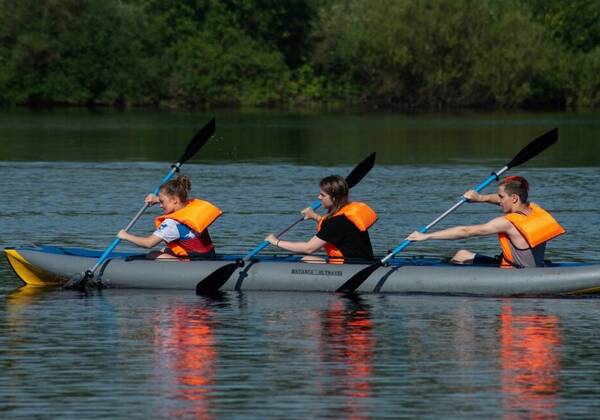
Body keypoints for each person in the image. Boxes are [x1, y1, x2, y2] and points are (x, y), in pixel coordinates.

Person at [407, 176, 565, 268]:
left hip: (515, 272)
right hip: (536, 267)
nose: (499, 201)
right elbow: (500, 199)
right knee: (462, 254)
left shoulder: (507, 223)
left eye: (502, 197)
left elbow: (466, 231)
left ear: (514, 198)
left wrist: (427, 236)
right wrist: (480, 198)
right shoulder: (535, 209)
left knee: (460, 256)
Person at [265, 175, 377, 264]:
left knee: (306, 258)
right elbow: (335, 230)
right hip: (363, 263)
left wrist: (276, 242)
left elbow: (309, 248)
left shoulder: (336, 222)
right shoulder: (344, 215)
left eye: (322, 195)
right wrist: (314, 216)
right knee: (309, 258)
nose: (319, 197)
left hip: (349, 268)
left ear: (334, 198)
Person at [118, 175, 222, 259]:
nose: (160, 205)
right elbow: (175, 201)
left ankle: (180, 263)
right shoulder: (191, 207)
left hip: (194, 262)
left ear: (174, 200)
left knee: (152, 254)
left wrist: (126, 236)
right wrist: (157, 199)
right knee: (164, 250)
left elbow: (148, 243)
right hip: (210, 256)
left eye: (162, 202)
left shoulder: (171, 223)